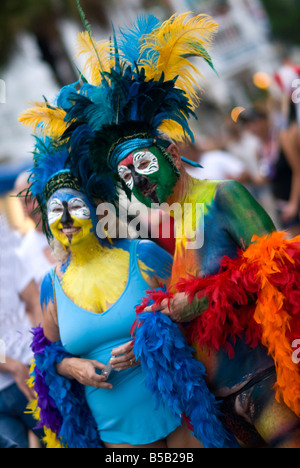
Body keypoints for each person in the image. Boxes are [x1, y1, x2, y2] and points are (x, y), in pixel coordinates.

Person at [63, 12, 300, 447]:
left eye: (144, 165)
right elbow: (184, 311)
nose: (139, 182)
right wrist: (154, 334)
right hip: (221, 408)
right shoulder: (172, 223)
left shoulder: (224, 196)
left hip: (269, 383)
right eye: (127, 178)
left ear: (171, 154)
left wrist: (188, 303)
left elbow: (280, 272)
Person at [20, 131, 211, 448]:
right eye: (55, 210)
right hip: (115, 430)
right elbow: (48, 356)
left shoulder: (142, 254)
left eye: (75, 206)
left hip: (182, 410)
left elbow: (195, 307)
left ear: (97, 209)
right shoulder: (50, 285)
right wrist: (72, 366)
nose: (66, 218)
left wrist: (149, 344)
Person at [0, 209, 43, 449]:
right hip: (16, 376)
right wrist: (12, 366)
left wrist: (41, 346)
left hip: (31, 370)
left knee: (60, 440)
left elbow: (34, 299)